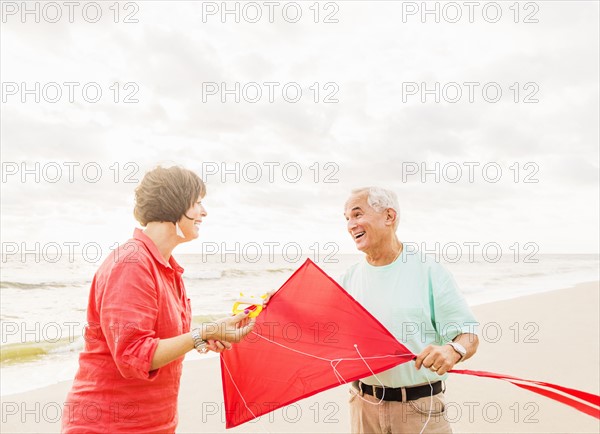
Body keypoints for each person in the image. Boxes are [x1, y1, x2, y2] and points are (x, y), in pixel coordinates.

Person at [61, 166, 255, 433]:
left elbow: (160, 341)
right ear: (176, 203)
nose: (204, 211)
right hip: (109, 424)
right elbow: (133, 355)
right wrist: (200, 334)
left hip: (155, 423)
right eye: (197, 202)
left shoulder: (167, 268)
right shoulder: (130, 263)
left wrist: (208, 333)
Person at [341, 186, 479, 434]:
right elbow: (316, 325)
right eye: (347, 218)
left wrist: (453, 350)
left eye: (357, 214)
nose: (351, 225)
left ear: (389, 216)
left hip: (419, 410)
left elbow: (468, 335)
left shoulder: (429, 271)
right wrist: (280, 304)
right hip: (363, 407)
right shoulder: (348, 278)